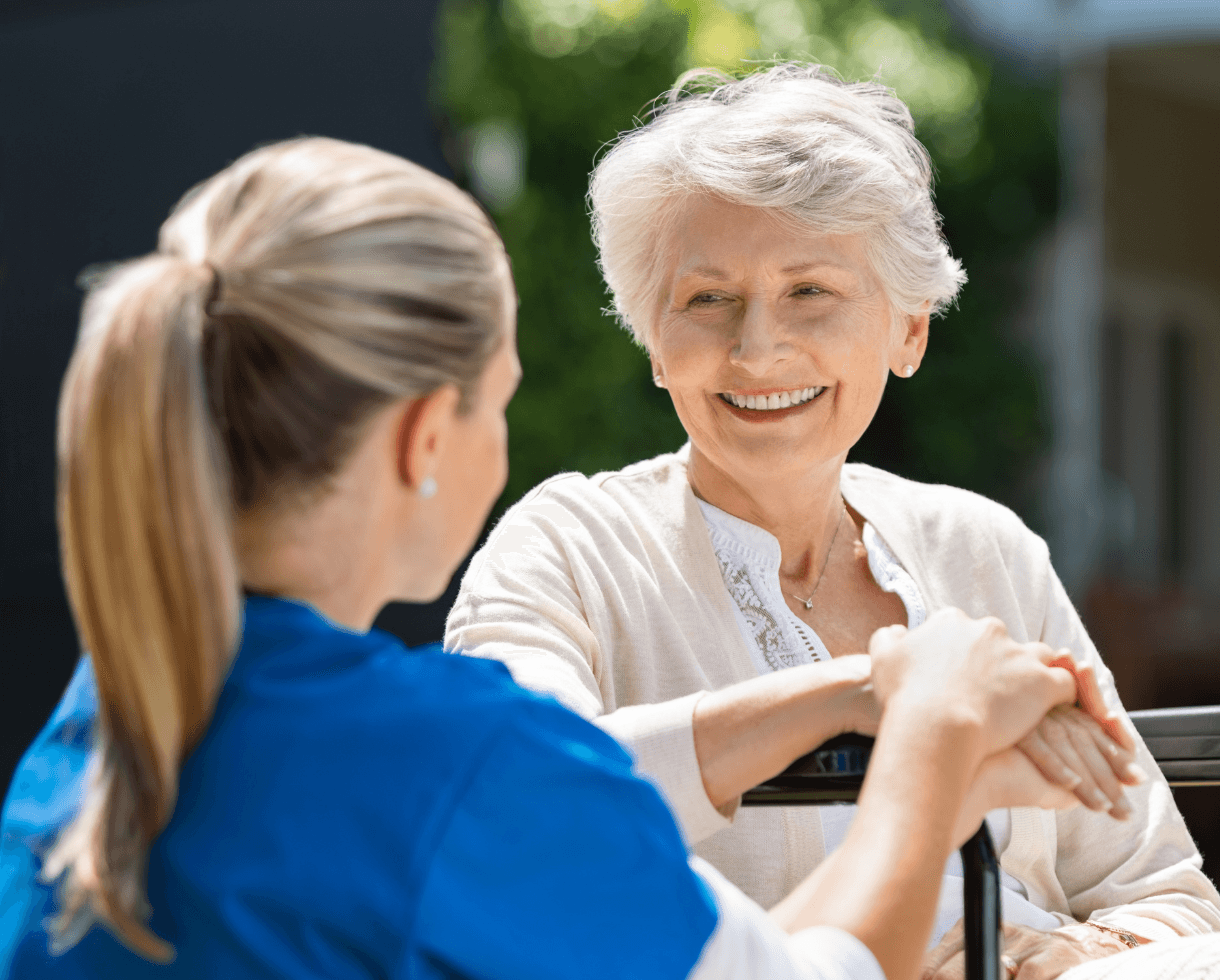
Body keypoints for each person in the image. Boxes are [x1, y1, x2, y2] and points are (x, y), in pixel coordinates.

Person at [0, 135, 1101, 980]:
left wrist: (850, 687)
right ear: (426, 438)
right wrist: (933, 736)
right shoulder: (448, 763)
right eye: (503, 403)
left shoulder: (111, 715)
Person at [444, 63, 1220, 979]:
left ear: (909, 331)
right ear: (655, 342)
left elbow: (1165, 893)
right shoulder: (567, 545)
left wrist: (1054, 952)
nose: (757, 346)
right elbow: (513, 801)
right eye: (706, 299)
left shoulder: (984, 547)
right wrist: (874, 690)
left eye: (810, 290)